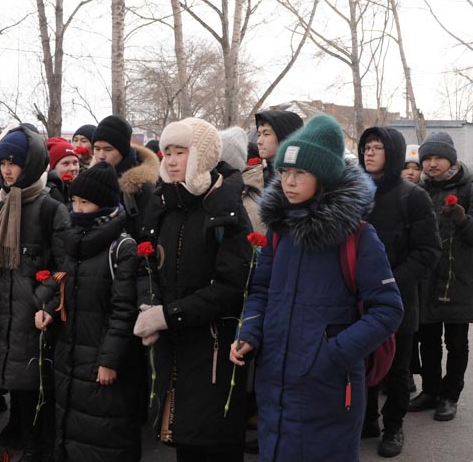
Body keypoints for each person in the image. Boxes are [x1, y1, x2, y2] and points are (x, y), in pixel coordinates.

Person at [229, 115, 403, 462]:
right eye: (285, 173)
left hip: (330, 389)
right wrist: (249, 332)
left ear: (322, 178)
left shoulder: (357, 235)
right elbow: (261, 289)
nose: (289, 182)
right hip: (275, 380)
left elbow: (388, 310)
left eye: (300, 174)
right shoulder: (278, 231)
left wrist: (333, 354)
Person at [133, 117, 253, 462]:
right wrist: (149, 306)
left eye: (180, 152)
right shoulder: (163, 204)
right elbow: (145, 264)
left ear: (202, 154)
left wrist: (167, 316)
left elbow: (232, 285)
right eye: (166, 152)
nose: (170, 160)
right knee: (184, 440)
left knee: (213, 442)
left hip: (213, 347)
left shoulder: (225, 206)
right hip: (174, 346)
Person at [35, 162, 143, 462]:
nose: (78, 209)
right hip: (70, 356)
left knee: (104, 435)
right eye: (75, 202)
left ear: (105, 204)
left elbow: (123, 311)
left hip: (102, 362)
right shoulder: (74, 243)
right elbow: (64, 290)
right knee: (71, 430)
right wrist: (50, 312)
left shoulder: (122, 248)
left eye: (86, 202)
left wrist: (109, 361)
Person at [0, 126, 69, 461]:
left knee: (36, 387)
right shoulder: (3, 204)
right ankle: (25, 437)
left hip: (34, 315)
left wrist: (41, 300)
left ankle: (39, 447)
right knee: (18, 384)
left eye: (15, 162)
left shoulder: (50, 209)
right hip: (6, 311)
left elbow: (63, 265)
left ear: (31, 164)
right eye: (2, 163)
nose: (7, 170)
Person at [357, 126, 441, 457]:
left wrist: (391, 283)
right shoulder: (354, 192)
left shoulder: (412, 196)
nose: (369, 153)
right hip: (358, 297)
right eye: (366, 147)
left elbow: (428, 251)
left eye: (377, 147)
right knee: (363, 363)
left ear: (391, 152)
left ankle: (393, 427)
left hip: (398, 298)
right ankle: (367, 422)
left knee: (397, 369)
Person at [409, 131, 473, 422]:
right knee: (428, 339)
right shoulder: (418, 190)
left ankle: (450, 396)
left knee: (456, 341)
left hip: (459, 279)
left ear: (452, 160)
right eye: (428, 159)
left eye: (439, 158)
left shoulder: (469, 188)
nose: (433, 164)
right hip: (426, 279)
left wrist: (463, 220)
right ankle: (431, 391)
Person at [92, 115, 159, 241]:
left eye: (108, 149)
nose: (101, 155)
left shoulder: (141, 187)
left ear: (122, 150)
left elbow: (147, 239)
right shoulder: (90, 180)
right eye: (97, 148)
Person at [254, 110, 303, 187]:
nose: (259, 141)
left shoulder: (300, 183)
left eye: (266, 134)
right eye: (259, 135)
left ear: (284, 137)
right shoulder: (261, 176)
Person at [46, 138, 80, 205]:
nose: (72, 168)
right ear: (52, 167)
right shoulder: (49, 193)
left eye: (75, 163)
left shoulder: (81, 188)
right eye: (66, 164)